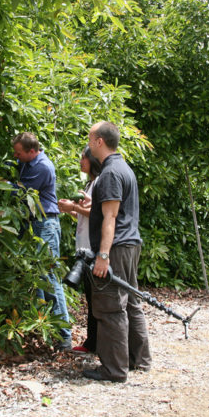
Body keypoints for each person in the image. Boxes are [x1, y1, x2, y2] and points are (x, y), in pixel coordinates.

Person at [83, 121, 151, 382]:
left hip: (117, 248)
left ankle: (114, 369)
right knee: (131, 302)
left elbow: (110, 217)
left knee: (110, 307)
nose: (88, 144)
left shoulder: (110, 173)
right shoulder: (124, 168)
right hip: (130, 244)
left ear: (100, 141)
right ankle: (139, 360)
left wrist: (102, 255)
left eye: (90, 139)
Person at [12, 132, 72, 350]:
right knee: (37, 277)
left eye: (19, 153)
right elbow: (15, 166)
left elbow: (18, 191)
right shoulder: (28, 161)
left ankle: (64, 336)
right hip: (35, 223)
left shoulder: (42, 167)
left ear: (31, 151)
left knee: (48, 277)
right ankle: (47, 331)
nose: (16, 156)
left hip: (46, 225)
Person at [57, 146, 102, 354]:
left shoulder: (100, 182)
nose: (80, 161)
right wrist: (71, 210)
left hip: (93, 247)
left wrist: (74, 207)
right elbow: (85, 215)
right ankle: (92, 341)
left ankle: (95, 342)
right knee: (90, 297)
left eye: (83, 158)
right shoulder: (90, 183)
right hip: (84, 245)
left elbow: (98, 213)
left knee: (96, 297)